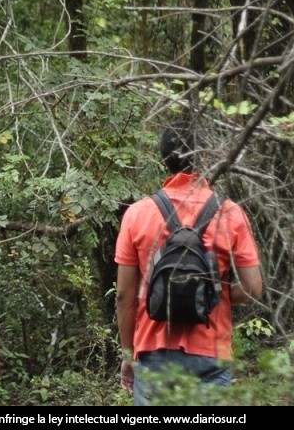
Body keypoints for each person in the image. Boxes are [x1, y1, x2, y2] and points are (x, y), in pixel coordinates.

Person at [115, 122, 263, 406]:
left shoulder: (138, 214)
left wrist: (127, 355)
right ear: (204, 158)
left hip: (153, 349)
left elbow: (124, 296)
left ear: (164, 160)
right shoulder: (230, 213)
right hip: (211, 352)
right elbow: (253, 288)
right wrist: (213, 294)